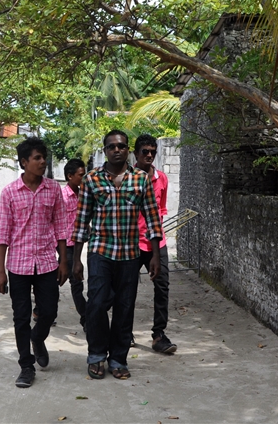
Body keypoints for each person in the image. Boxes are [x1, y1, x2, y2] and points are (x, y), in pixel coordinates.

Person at [72, 130, 163, 381]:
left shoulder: (141, 180)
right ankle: (97, 355)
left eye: (121, 146)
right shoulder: (91, 180)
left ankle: (118, 359)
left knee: (125, 307)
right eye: (112, 147)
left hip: (130, 254)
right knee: (97, 305)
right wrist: (76, 259)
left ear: (127, 150)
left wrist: (155, 256)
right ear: (105, 150)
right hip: (100, 252)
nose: (117, 150)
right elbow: (81, 222)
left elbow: (153, 220)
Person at [0, 137, 68, 389]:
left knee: (49, 311)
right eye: (37, 158)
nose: (42, 162)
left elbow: (60, 226)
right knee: (21, 316)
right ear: (24, 162)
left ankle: (38, 338)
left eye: (43, 157)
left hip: (47, 262)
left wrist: (64, 261)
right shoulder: (9, 193)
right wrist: (0, 271)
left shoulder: (53, 189)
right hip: (19, 264)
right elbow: (3, 233)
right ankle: (26, 366)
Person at [132, 134, 178, 354]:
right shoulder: (127, 178)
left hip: (156, 242)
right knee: (126, 290)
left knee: (162, 287)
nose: (149, 155)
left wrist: (157, 247)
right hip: (131, 243)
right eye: (145, 152)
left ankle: (159, 334)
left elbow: (160, 212)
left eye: (153, 151)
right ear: (136, 154)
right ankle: (124, 333)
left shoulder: (161, 178)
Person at [62, 158, 88, 330]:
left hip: (77, 243)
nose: (83, 178)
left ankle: (39, 308)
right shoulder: (62, 197)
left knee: (57, 278)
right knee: (75, 281)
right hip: (65, 245)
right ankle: (86, 319)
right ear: (70, 176)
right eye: (80, 175)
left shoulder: (82, 195)